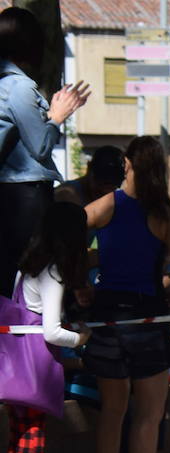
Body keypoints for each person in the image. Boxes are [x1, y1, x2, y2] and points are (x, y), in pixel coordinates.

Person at [83, 136, 170, 453]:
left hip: (107, 315)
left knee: (112, 412)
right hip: (146, 318)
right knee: (148, 413)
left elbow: (70, 240)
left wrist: (81, 284)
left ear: (127, 163)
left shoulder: (106, 204)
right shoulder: (164, 213)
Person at [1, 202, 89, 453]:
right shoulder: (54, 273)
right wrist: (81, 337)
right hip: (36, 370)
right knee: (31, 447)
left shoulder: (28, 266)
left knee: (18, 441)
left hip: (16, 366)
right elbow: (52, 332)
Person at [0, 7, 89, 298]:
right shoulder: (19, 88)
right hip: (24, 194)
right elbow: (39, 147)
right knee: (29, 271)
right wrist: (57, 116)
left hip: (10, 193)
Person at [54, 145, 124, 209]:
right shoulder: (67, 195)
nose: (104, 194)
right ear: (89, 169)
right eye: (100, 185)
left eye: (111, 189)